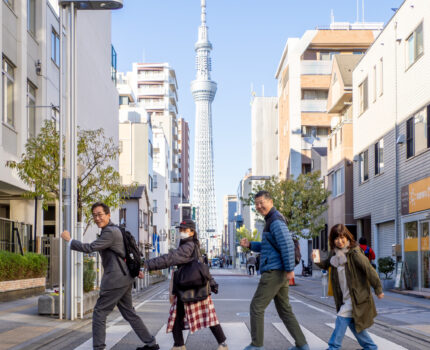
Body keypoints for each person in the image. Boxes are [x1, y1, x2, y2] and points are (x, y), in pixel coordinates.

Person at [61, 202, 159, 350]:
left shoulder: (110, 232)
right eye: (94, 215)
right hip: (124, 278)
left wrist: (69, 241)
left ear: (108, 215)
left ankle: (98, 348)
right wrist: (134, 269)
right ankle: (151, 344)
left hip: (115, 280)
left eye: (100, 214)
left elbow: (90, 248)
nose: (97, 218)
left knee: (100, 313)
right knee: (129, 313)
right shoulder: (116, 230)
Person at [143, 219, 228, 350]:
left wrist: (147, 264)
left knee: (184, 316)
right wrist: (211, 281)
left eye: (184, 230)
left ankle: (181, 345)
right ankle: (181, 344)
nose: (181, 232)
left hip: (188, 286)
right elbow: (202, 266)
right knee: (202, 315)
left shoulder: (187, 246)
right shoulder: (192, 244)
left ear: (192, 232)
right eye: (180, 230)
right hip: (193, 286)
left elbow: (170, 258)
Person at [240, 191, 309, 350]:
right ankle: (302, 345)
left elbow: (286, 245)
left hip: (274, 271)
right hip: (278, 270)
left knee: (256, 307)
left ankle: (257, 345)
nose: (258, 206)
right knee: (284, 309)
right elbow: (268, 246)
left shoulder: (275, 221)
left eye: (261, 202)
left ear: (270, 201)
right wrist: (250, 244)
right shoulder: (271, 219)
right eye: (256, 203)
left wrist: (290, 269)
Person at [313, 224, 384, 350]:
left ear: (347, 237)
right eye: (336, 239)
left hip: (355, 296)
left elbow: (369, 270)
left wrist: (378, 289)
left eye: (342, 238)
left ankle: (333, 347)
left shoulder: (354, 253)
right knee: (352, 323)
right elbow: (326, 265)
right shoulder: (334, 254)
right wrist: (316, 259)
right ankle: (370, 347)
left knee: (341, 318)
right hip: (344, 296)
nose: (339, 241)